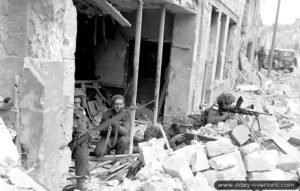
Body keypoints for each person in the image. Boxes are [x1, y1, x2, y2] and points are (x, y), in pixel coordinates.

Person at [72, 90, 90, 190]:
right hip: (60, 144)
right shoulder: (62, 112)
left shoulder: (81, 113)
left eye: (79, 103)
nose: (77, 105)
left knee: (83, 150)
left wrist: (83, 137)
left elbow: (81, 131)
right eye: (74, 103)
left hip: (73, 143)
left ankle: (81, 182)